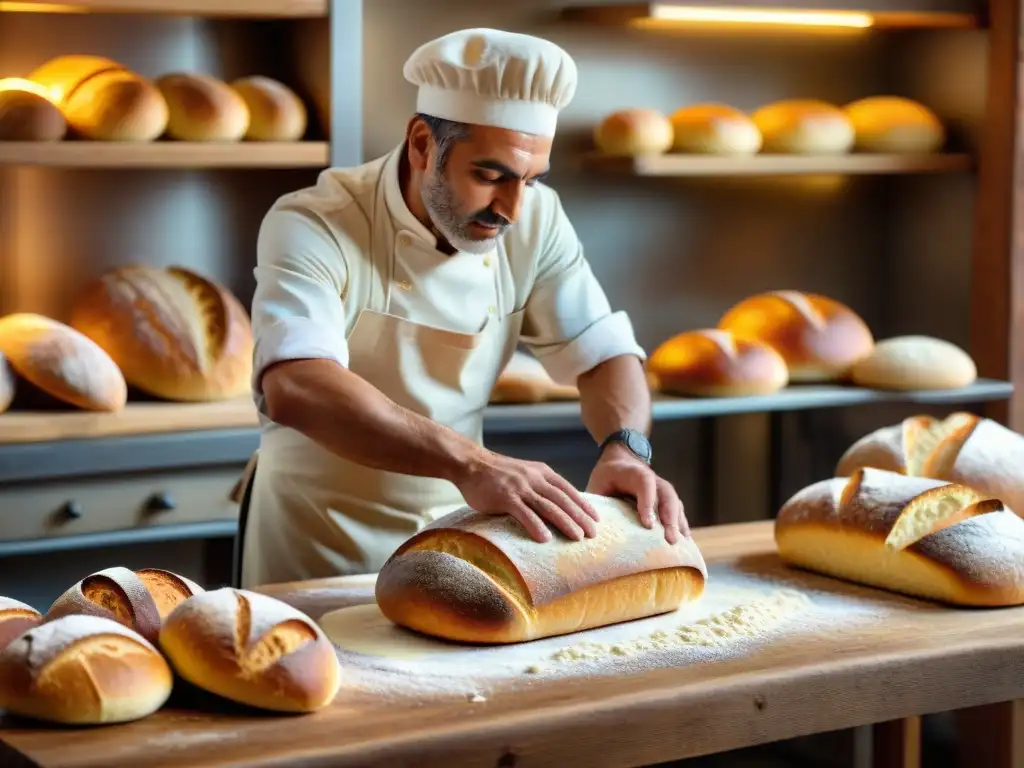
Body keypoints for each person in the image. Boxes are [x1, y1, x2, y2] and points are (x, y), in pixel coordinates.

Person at [239, 27, 689, 588]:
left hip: (456, 536)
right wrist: (472, 464)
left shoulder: (538, 219)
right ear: (423, 144)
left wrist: (627, 450)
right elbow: (296, 383)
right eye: (489, 175)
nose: (513, 208)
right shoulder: (315, 221)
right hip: (318, 542)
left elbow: (602, 351)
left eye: (529, 179)